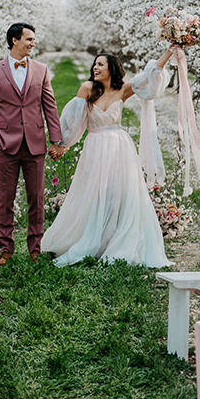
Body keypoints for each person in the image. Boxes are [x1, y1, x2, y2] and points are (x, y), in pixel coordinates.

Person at [41, 48, 175, 267]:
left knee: (117, 192)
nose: (95, 67)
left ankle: (114, 240)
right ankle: (92, 239)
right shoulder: (87, 88)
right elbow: (76, 121)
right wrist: (62, 145)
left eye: (101, 64)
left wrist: (170, 51)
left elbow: (150, 75)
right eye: (95, 64)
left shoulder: (123, 89)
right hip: (95, 146)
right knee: (93, 191)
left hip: (119, 147)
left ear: (112, 69)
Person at [0, 22, 65, 266]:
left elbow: (50, 106)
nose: (33, 43)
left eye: (33, 39)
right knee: (5, 199)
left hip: (35, 144)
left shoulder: (41, 69)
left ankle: (35, 249)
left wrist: (56, 139)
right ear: (14, 40)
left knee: (36, 199)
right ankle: (5, 250)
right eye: (29, 39)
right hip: (5, 145)